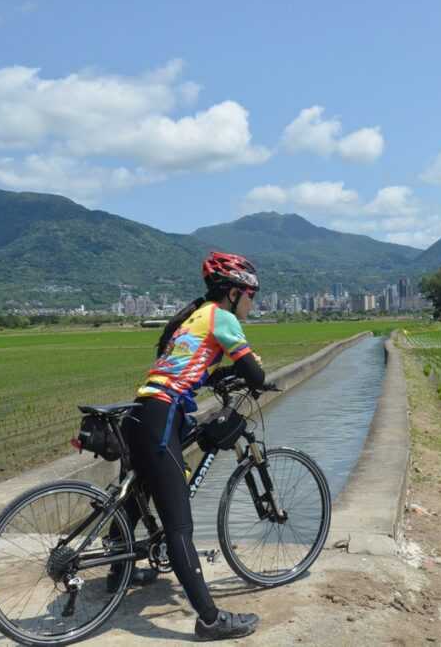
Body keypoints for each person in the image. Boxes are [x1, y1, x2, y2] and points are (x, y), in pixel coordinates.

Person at [119, 251, 267, 641]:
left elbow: (188, 365)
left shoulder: (193, 317)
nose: (253, 303)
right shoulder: (222, 318)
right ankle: (209, 620)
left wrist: (222, 374)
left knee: (136, 497)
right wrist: (255, 375)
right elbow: (255, 372)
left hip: (141, 411)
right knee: (178, 527)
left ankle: (117, 573)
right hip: (163, 413)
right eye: (252, 295)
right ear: (234, 293)